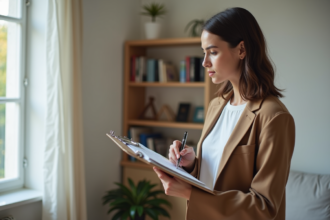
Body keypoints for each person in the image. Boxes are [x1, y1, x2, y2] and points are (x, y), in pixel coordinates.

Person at [153, 7, 295, 220]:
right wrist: (192, 164)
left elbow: (264, 207)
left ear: (241, 49)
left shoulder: (274, 117)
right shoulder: (216, 105)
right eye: (204, 52)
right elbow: (218, 174)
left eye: (213, 52)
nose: (204, 62)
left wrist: (189, 193)